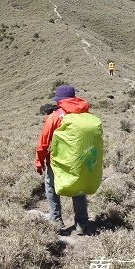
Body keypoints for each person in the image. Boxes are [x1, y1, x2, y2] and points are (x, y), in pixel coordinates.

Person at [35, 84, 92, 235]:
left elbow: (43, 143)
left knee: (51, 187)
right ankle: (81, 223)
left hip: (57, 162)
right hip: (79, 160)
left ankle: (56, 220)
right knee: (78, 188)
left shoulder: (54, 116)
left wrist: (39, 162)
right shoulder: (85, 114)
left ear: (60, 100)